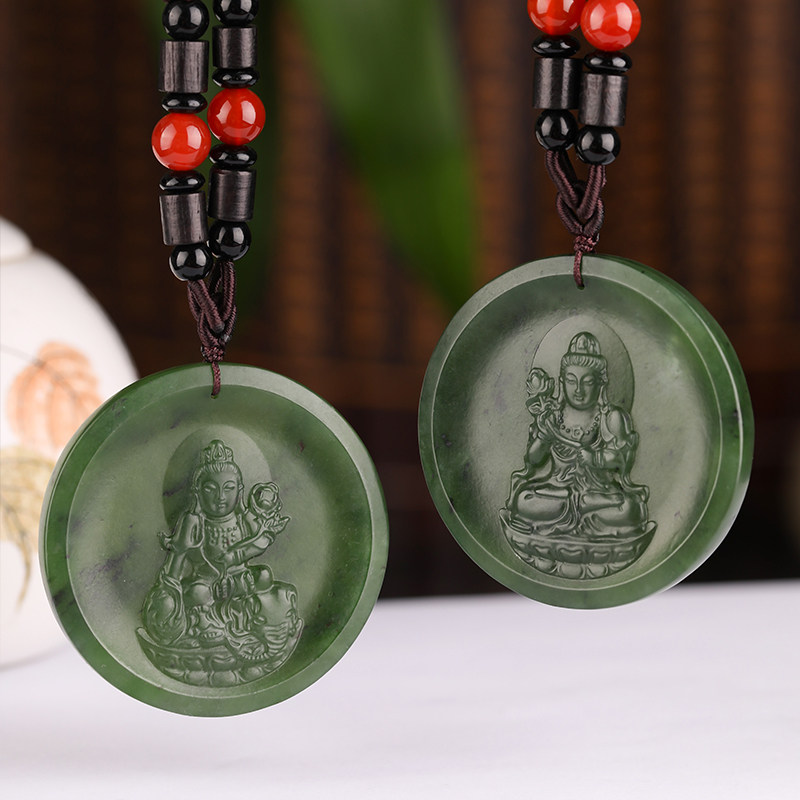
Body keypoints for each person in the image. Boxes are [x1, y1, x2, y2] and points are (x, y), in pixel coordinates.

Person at [140, 440, 301, 683]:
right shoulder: (193, 522)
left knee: (264, 576)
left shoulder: (244, 519)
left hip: (238, 580)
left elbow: (258, 542)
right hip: (205, 583)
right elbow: (176, 566)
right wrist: (170, 592)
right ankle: (214, 628)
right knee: (198, 593)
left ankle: (239, 626)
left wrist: (260, 535)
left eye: (229, 488)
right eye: (211, 489)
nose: (220, 497)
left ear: (240, 490)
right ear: (197, 492)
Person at [502, 332, 655, 558]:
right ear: (562, 382)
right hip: (558, 490)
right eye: (572, 381)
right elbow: (533, 460)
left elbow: (622, 459)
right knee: (524, 499)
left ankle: (567, 527)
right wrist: (544, 438)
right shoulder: (553, 415)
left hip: (598, 493)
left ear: (601, 384)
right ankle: (584, 526)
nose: (579, 390)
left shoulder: (610, 417)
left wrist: (596, 458)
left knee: (629, 508)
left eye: (588, 382)